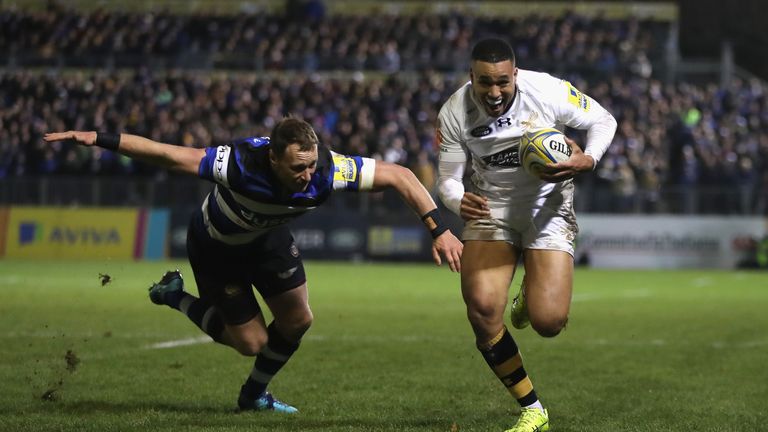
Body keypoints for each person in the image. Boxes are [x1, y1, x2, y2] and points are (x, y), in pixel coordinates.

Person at [44, 117, 463, 413]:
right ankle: (175, 296)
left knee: (298, 320)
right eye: (298, 167)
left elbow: (402, 175)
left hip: (267, 241)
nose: (308, 175)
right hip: (217, 249)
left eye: (312, 164)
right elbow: (168, 155)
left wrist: (438, 229)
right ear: (274, 160)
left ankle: (253, 397)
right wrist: (98, 138)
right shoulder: (238, 164)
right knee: (251, 343)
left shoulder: (328, 170)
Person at [436, 39, 617, 432]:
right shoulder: (454, 111)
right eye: (485, 82)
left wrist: (588, 157)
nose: (495, 92)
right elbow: (448, 181)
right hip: (491, 209)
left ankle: (530, 291)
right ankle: (532, 408)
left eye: (502, 81)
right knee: (483, 310)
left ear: (515, 74)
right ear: (472, 78)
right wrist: (456, 201)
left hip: (547, 207)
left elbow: (604, 121)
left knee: (548, 321)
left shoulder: (548, 90)